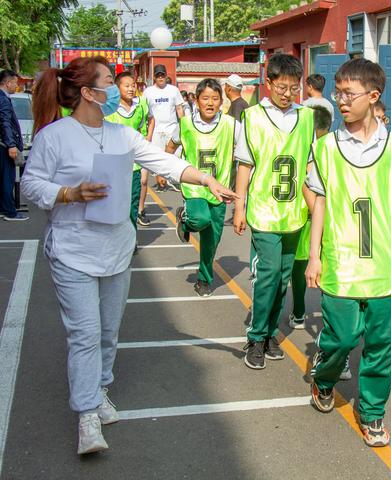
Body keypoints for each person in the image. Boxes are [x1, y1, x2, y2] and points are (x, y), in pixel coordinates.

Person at [22, 56, 236, 456]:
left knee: (107, 330)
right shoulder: (55, 137)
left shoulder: (122, 135)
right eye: (109, 81)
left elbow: (165, 162)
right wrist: (68, 193)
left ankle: (99, 389)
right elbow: (31, 184)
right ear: (89, 92)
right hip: (72, 252)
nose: (127, 85)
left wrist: (205, 178)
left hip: (116, 250)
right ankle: (86, 414)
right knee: (84, 334)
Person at [305, 58, 391, 447]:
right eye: (338, 93)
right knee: (342, 337)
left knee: (380, 347)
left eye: (348, 94)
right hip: (340, 264)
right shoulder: (325, 148)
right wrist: (315, 254)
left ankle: (372, 413)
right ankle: (323, 378)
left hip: (386, 266)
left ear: (373, 96)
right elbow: (318, 202)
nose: (341, 101)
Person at [234, 53, 315, 370]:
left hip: (294, 212)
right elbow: (245, 164)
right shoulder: (253, 117)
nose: (287, 93)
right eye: (281, 87)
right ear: (268, 83)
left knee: (283, 278)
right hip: (264, 210)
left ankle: (269, 334)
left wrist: (315, 207)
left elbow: (309, 164)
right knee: (266, 276)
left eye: (293, 88)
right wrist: (240, 206)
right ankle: (255, 337)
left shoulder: (306, 118)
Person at [340, 99, 391, 389]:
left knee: (380, 327)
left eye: (383, 119)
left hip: (380, 251)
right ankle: (336, 356)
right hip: (346, 250)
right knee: (344, 331)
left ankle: (384, 368)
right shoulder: (336, 151)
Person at [167, 78, 240, 297]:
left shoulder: (231, 125)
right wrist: (166, 170)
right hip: (194, 188)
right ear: (196, 100)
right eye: (205, 98)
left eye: (215, 98)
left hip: (220, 191)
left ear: (222, 101)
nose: (210, 103)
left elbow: (247, 150)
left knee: (211, 241)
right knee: (200, 219)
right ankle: (186, 220)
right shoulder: (186, 124)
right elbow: (170, 146)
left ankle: (204, 278)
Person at [288, 105, 332, 330]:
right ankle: (330, 318)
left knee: (300, 262)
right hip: (329, 215)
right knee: (327, 263)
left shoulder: (304, 146)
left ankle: (297, 312)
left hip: (306, 213)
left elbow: (305, 181)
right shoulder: (334, 146)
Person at [105, 71, 151, 230]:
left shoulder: (141, 106)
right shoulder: (108, 109)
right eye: (127, 86)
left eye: (133, 86)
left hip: (134, 164)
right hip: (113, 165)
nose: (131, 89)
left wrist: (147, 138)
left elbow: (149, 122)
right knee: (114, 203)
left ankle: (130, 238)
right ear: (117, 89)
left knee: (132, 201)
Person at [143, 64, 184, 192]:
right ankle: (161, 183)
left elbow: (179, 108)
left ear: (166, 76)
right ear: (154, 77)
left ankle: (173, 179)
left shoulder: (173, 90)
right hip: (156, 129)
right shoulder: (148, 92)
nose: (160, 77)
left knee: (174, 155)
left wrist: (183, 125)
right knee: (158, 157)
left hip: (172, 127)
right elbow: (144, 112)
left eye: (163, 75)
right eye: (158, 75)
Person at [0, 69, 28, 221]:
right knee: (7, 178)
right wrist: (11, 144)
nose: (16, 86)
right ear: (7, 82)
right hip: (4, 145)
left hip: (3, 144)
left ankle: (4, 207)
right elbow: (5, 123)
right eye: (15, 83)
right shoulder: (3, 100)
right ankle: (10, 211)